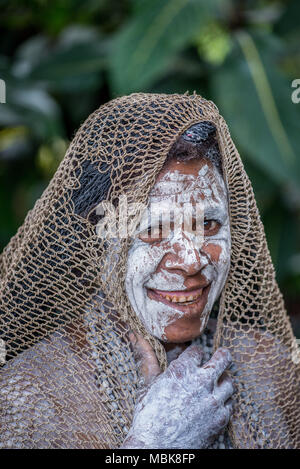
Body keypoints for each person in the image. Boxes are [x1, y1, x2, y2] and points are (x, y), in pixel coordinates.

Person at [0, 93, 299, 449]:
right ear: (100, 238)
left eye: (208, 223)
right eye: (153, 229)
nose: (191, 261)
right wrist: (155, 444)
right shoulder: (28, 399)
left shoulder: (269, 366)